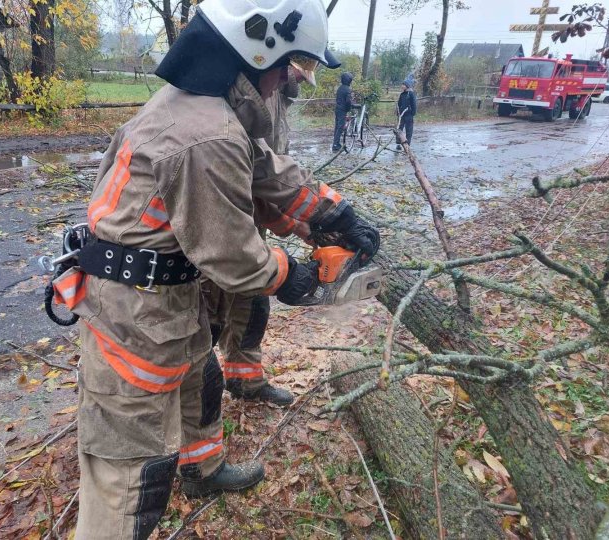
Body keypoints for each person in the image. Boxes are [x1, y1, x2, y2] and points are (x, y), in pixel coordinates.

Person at [51, 1, 380, 538]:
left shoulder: (207, 109)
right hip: (134, 313)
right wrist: (296, 278)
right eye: (286, 67)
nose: (282, 84)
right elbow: (232, 256)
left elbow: (263, 169)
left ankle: (202, 469)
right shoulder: (205, 135)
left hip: (166, 301)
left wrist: (334, 214)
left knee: (201, 380)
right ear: (258, 52)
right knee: (130, 477)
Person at [202, 67, 307, 407]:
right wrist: (290, 224)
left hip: (252, 220)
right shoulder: (244, 96)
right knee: (210, 310)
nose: (295, 83)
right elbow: (245, 176)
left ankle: (245, 381)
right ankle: (195, 396)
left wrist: (302, 219)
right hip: (223, 222)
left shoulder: (278, 99)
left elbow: (271, 174)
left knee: (254, 304)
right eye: (294, 74)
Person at [332, 72, 354, 152]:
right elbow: (348, 101)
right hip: (342, 110)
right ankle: (335, 145)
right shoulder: (347, 89)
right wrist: (348, 108)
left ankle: (335, 143)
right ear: (349, 80)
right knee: (340, 127)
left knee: (337, 127)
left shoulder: (340, 88)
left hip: (337, 108)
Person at [396, 80, 417, 149]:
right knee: (399, 129)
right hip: (402, 115)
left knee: (409, 130)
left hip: (409, 115)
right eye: (402, 84)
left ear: (407, 86)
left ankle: (407, 144)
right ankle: (398, 143)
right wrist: (398, 112)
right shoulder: (402, 94)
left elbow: (414, 104)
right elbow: (399, 104)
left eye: (403, 85)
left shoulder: (411, 94)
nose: (402, 86)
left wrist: (413, 113)